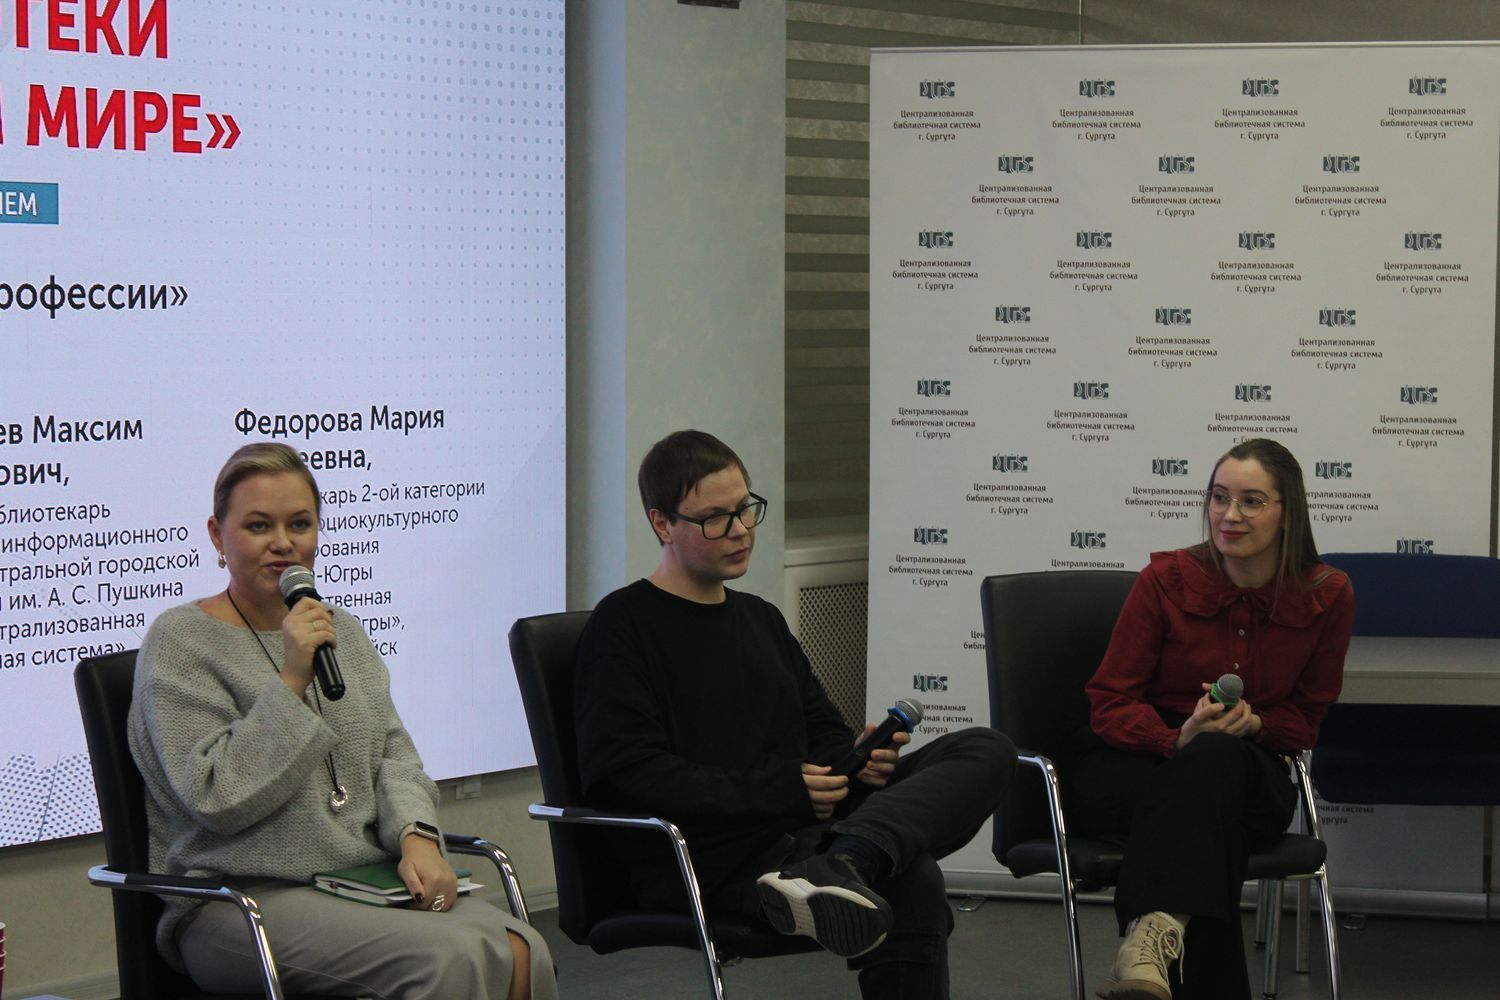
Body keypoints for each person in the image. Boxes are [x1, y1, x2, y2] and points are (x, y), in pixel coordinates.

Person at [573, 429, 1016, 1000]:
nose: (740, 530)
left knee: (986, 749)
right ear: (662, 524)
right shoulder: (623, 626)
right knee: (913, 875)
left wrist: (858, 764)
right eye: (716, 519)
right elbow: (632, 774)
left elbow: (823, 734)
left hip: (808, 835)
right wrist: (786, 788)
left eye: (745, 509)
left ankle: (851, 858)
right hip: (715, 857)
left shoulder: (760, 618)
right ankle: (849, 861)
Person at [127, 442, 556, 1000]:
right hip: (238, 900)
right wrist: (290, 679)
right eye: (258, 525)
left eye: (299, 524)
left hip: (357, 882)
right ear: (216, 534)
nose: (283, 543)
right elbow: (215, 797)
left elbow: (394, 755)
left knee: (523, 949)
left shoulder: (342, 632)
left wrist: (417, 835)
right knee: (448, 959)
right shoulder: (180, 642)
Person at [1071, 438, 1354, 1000]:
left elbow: (1306, 718)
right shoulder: (1164, 580)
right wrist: (1173, 737)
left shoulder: (1328, 594)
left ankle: (1151, 935)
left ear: (1288, 511)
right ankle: (1155, 940)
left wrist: (1255, 726)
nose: (1229, 515)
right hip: (1140, 763)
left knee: (1216, 761)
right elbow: (1110, 700)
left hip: (1248, 770)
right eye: (1219, 497)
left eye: (1252, 501)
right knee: (1208, 824)